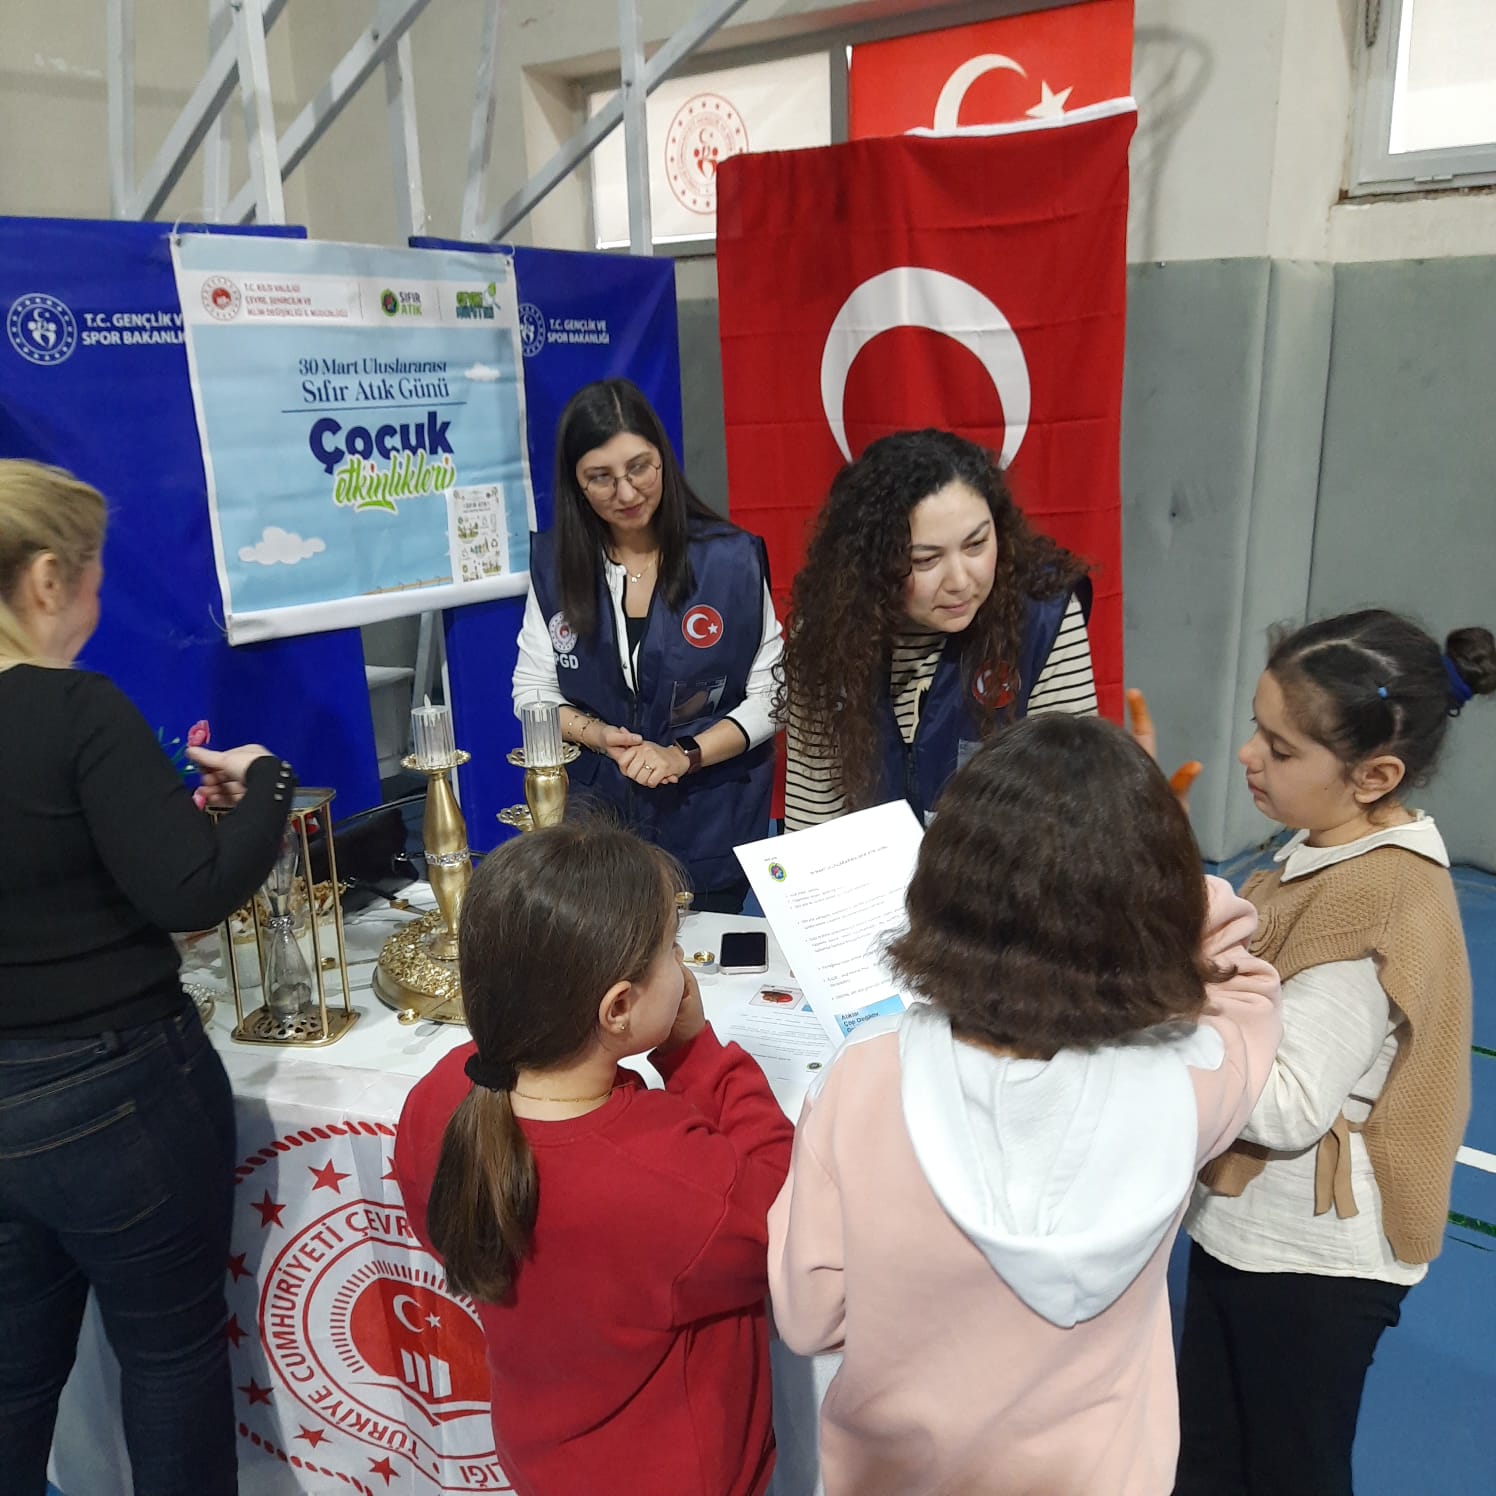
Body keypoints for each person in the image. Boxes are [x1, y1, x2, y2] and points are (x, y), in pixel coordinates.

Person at [767, 714, 1283, 1495]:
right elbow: (1241, 985)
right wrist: (1152, 847)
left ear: (943, 884)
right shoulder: (1190, 1078)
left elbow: (811, 1317)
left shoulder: (863, 1078)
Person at [0, 460, 296, 1494]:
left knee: (14, 1376)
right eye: (92, 569)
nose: (98, 589)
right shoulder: (73, 708)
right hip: (115, 1088)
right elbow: (190, 890)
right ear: (46, 579)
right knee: (170, 1356)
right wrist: (269, 784)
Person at [1176, 609, 1494, 1496]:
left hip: (1307, 1262)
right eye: (1256, 727)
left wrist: (1177, 1004)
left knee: (1288, 1468)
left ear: (1373, 776)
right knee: (1209, 1452)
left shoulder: (1374, 905)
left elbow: (1283, 1106)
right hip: (1254, 1232)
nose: (1248, 755)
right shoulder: (1328, 842)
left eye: (1280, 748)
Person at [393, 823, 794, 1496]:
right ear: (619, 1007)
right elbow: (787, 1209)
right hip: (679, 1474)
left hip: (540, 1456)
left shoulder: (442, 1096)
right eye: (670, 949)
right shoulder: (669, 1176)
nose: (682, 966)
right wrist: (694, 1051)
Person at [513, 379, 782, 911]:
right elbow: (532, 692)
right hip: (598, 828)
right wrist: (597, 736)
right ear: (576, 484)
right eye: (601, 478)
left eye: (640, 468)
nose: (627, 493)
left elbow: (773, 696)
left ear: (663, 459)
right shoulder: (557, 566)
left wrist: (684, 755)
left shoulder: (731, 560)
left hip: (709, 820)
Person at [781, 428, 1097, 831]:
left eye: (976, 544)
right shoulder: (829, 631)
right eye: (926, 560)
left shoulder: (1044, 615)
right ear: (874, 564)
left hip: (1008, 863)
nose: (960, 581)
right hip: (876, 866)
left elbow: (1072, 810)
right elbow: (812, 821)